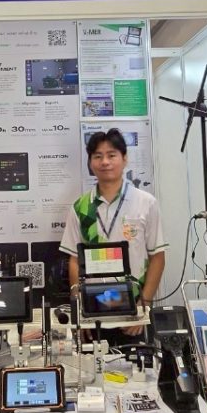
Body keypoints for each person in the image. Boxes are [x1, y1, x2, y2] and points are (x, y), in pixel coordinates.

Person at [59, 129, 167, 337]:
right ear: (91, 163)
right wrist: (78, 308)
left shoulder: (146, 203)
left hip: (133, 307)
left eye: (111, 155)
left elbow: (158, 257)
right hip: (93, 310)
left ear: (124, 159)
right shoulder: (81, 207)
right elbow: (74, 260)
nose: (105, 162)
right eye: (98, 156)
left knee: (136, 358)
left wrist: (144, 304)